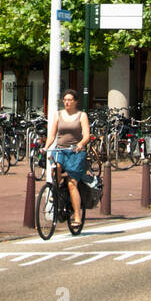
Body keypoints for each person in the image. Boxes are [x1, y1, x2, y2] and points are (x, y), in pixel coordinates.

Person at [43, 90, 91, 228]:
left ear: (76, 101)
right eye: (65, 100)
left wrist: (80, 144)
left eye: (70, 100)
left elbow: (86, 135)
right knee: (56, 167)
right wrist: (46, 147)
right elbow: (52, 135)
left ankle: (77, 215)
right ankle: (57, 193)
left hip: (76, 152)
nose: (67, 102)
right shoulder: (58, 115)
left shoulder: (82, 116)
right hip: (61, 150)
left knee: (71, 183)